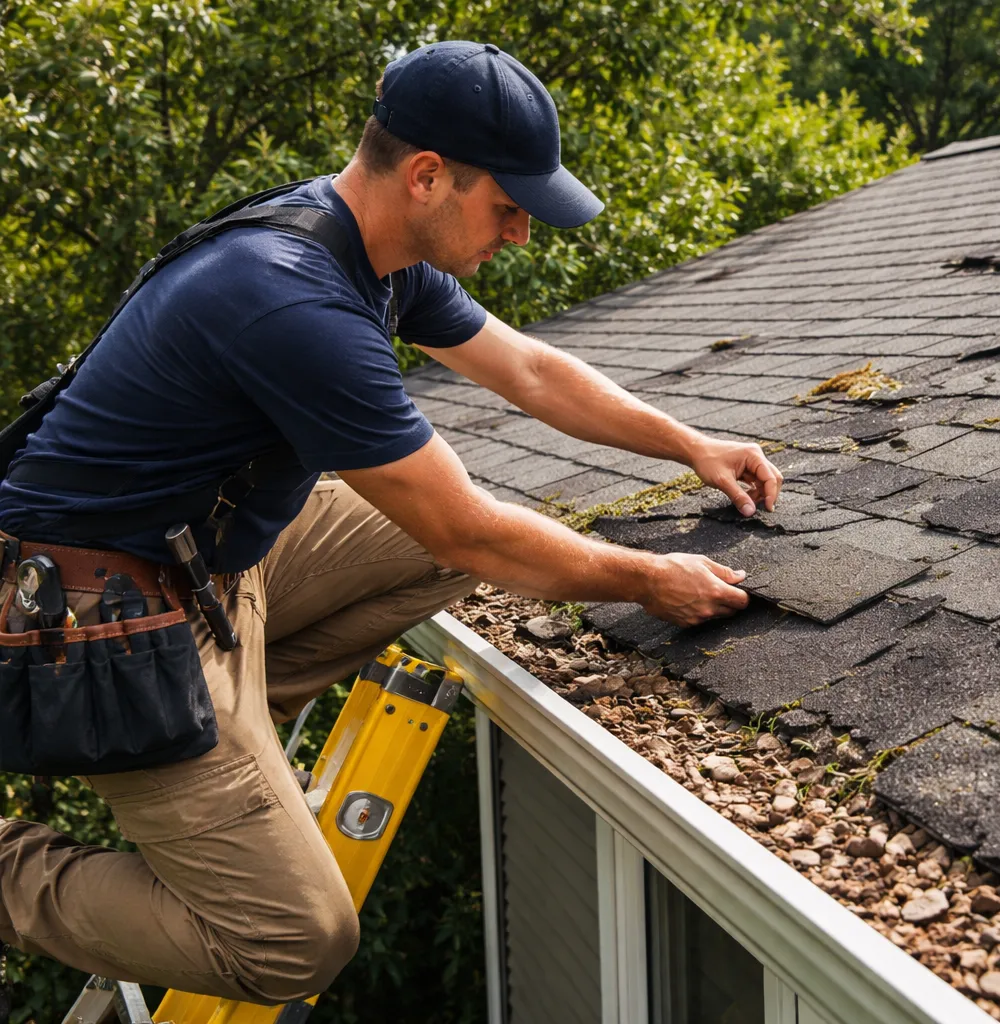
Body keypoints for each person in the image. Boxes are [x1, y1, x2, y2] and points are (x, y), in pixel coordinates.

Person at [0, 40, 780, 1005]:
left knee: (470, 538)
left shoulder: (371, 248)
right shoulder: (287, 297)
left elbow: (528, 371)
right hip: (93, 622)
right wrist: (647, 578)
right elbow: (470, 535)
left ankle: (230, 719)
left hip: (203, 557)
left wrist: (689, 443)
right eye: (510, 208)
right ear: (426, 177)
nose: (522, 235)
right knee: (293, 942)